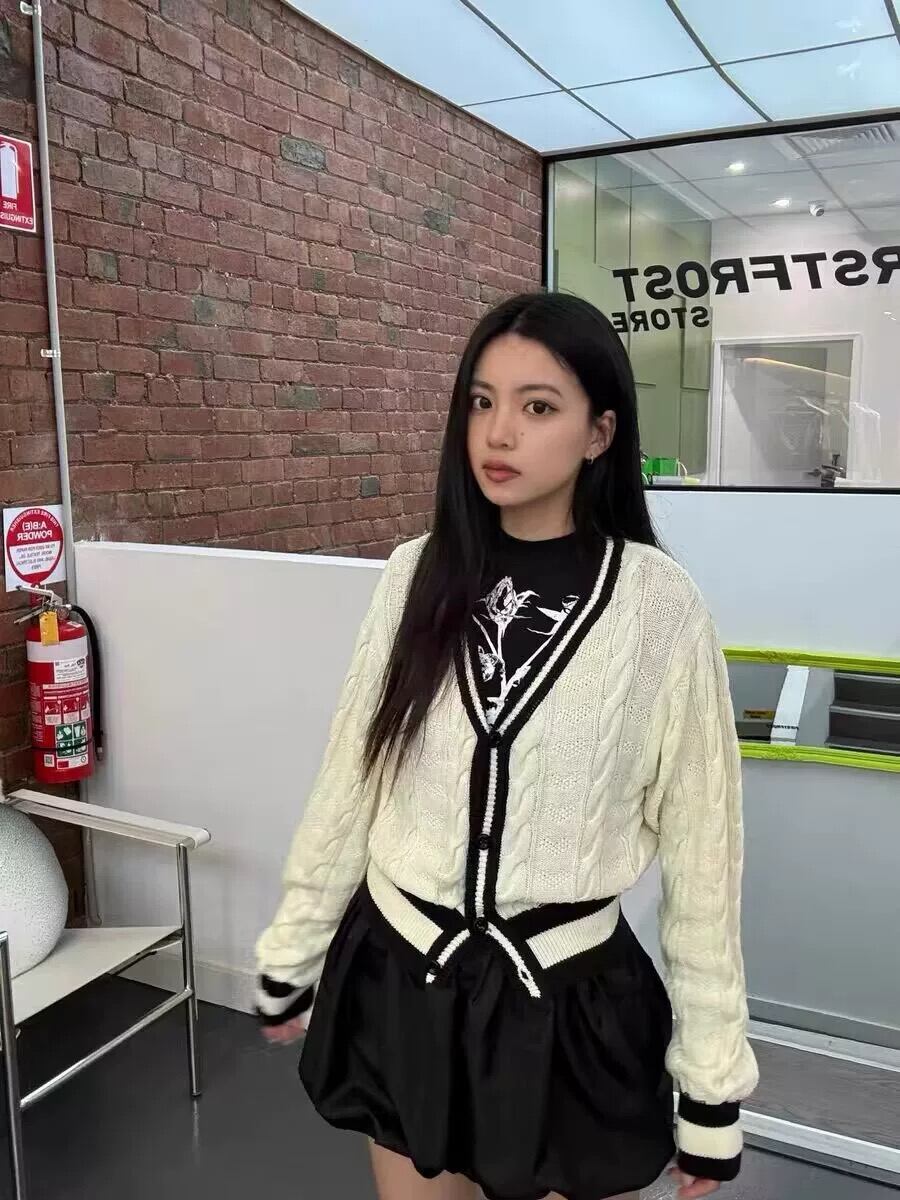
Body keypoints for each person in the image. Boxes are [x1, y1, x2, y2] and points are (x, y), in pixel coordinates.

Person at [255, 292, 759, 1200]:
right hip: (402, 978)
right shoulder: (414, 575)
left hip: (566, 1010)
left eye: (539, 406)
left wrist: (712, 1084)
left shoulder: (659, 608)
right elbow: (352, 780)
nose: (499, 432)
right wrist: (295, 947)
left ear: (599, 433)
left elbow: (704, 857)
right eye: (482, 401)